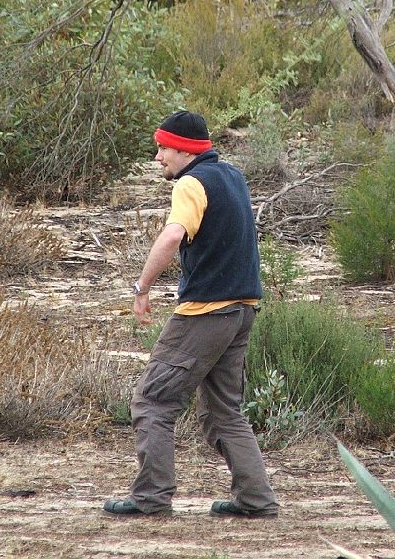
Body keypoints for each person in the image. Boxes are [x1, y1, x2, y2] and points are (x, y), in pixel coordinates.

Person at [103, 110, 279, 519]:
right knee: (224, 411)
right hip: (242, 310)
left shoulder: (190, 182)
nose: (157, 157)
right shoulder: (232, 176)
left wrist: (142, 288)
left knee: (152, 401)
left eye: (162, 147)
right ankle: (256, 500)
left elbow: (173, 234)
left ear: (183, 149)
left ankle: (151, 499)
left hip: (205, 313)